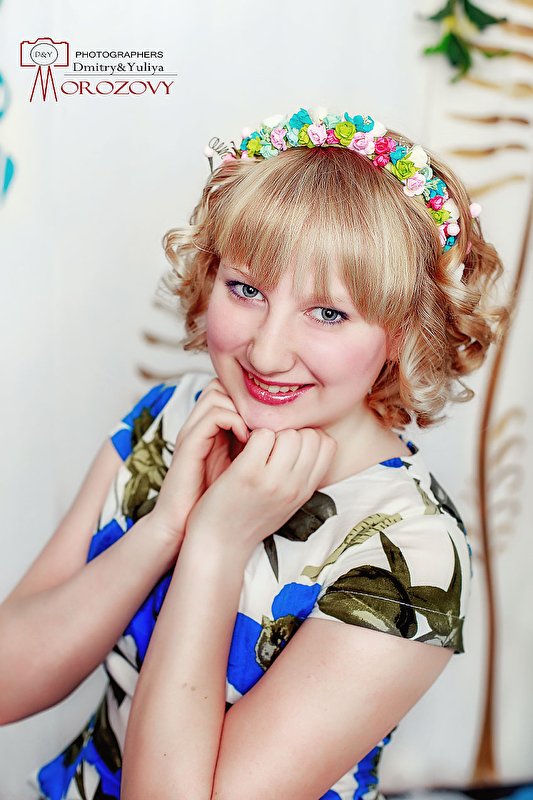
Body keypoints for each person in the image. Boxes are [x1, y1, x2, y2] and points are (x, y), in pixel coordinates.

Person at [0, 108, 508, 800]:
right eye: (246, 289)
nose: (267, 353)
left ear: (401, 331)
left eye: (328, 313)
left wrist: (215, 542)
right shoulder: (173, 417)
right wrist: (165, 527)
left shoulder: (411, 552)